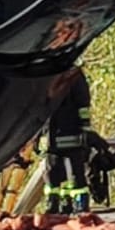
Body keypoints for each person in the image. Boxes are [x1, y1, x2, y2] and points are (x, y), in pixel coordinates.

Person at [42, 68, 95, 214]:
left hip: (68, 132)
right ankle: (58, 204)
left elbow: (83, 105)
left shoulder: (71, 76)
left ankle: (77, 204)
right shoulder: (51, 76)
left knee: (73, 172)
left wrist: (84, 130)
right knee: (55, 173)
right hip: (55, 134)